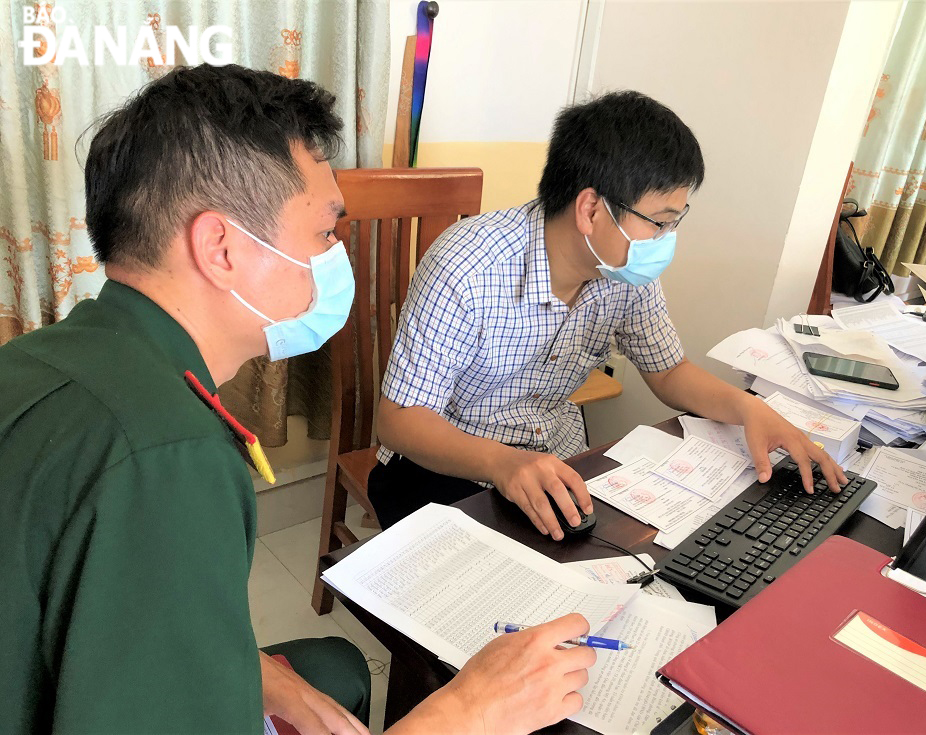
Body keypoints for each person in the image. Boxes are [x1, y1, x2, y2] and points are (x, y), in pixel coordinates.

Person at [0, 64, 594, 735]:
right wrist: (471, 710)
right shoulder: (170, 456)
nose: (334, 255)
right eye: (324, 233)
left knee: (332, 668)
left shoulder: (40, 359)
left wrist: (258, 671)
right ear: (221, 247)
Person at [370, 90, 849, 535]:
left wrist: (751, 410)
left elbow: (669, 371)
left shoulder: (622, 271)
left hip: (555, 455)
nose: (665, 240)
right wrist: (503, 463)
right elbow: (400, 420)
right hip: (445, 463)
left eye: (675, 223)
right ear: (591, 210)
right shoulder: (469, 265)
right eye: (660, 222)